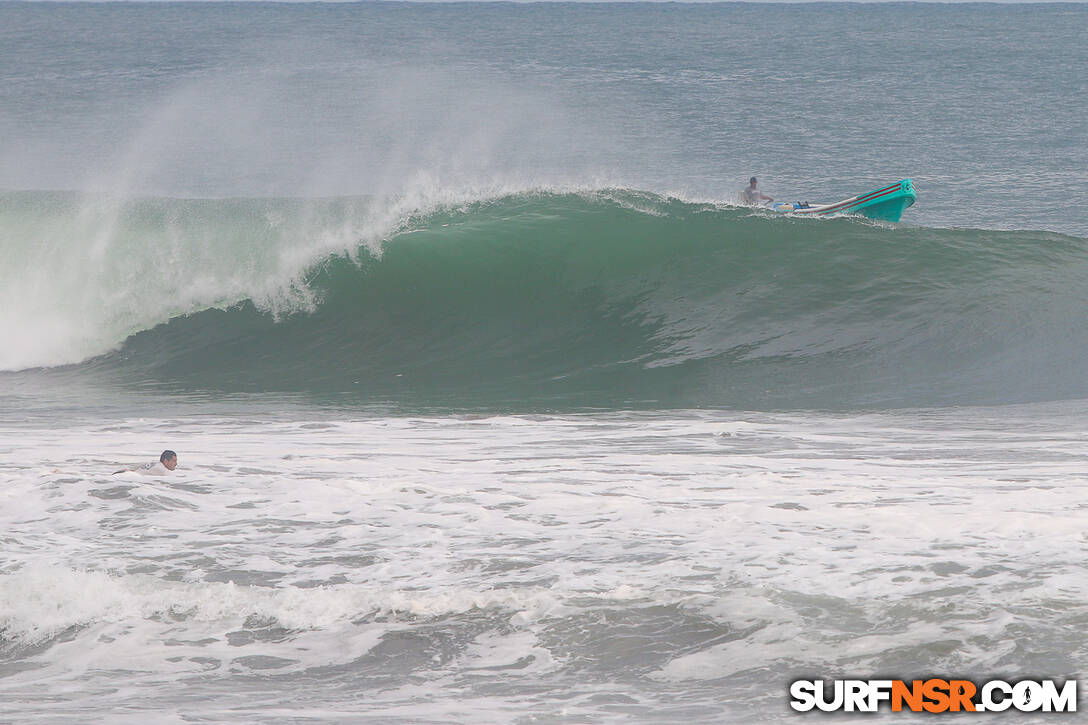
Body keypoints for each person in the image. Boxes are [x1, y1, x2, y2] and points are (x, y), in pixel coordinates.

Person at [113, 450, 178, 475]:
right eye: (174, 461)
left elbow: (130, 469)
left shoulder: (152, 463)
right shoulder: (163, 471)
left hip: (125, 474)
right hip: (131, 478)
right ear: (166, 461)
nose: (176, 463)